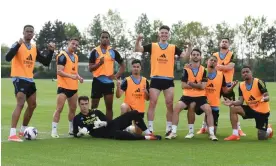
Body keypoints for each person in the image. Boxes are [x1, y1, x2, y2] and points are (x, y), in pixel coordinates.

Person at [135, 25, 192, 135]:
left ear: (168, 35)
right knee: (152, 103)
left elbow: (185, 57)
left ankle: (169, 129)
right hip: (155, 79)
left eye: (166, 33)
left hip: (168, 80)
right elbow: (138, 49)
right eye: (162, 33)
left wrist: (189, 46)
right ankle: (150, 129)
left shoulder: (173, 47)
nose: (164, 34)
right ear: (159, 34)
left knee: (169, 104)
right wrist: (138, 40)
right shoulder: (153, 46)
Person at [5, 25, 55, 142]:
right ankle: (12, 134)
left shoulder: (33, 47)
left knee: (32, 105)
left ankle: (23, 130)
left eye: (31, 32)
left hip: (30, 80)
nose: (29, 33)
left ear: (33, 34)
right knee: (20, 104)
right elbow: (8, 58)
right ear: (23, 32)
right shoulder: (18, 44)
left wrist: (51, 51)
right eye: (27, 31)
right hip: (19, 78)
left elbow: (46, 62)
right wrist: (18, 44)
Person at [165, 49, 218, 141]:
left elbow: (203, 87)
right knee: (177, 108)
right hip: (187, 95)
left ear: (200, 57)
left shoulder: (203, 70)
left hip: (200, 96)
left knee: (208, 109)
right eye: (193, 54)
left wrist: (191, 83)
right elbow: (183, 85)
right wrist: (197, 85)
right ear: (191, 56)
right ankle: (174, 132)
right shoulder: (186, 69)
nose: (195, 56)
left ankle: (212, 134)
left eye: (197, 54)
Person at [186, 56, 238, 137]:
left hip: (214, 104)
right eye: (211, 60)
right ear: (207, 61)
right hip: (201, 101)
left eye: (215, 61)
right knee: (191, 105)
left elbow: (225, 91)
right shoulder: (201, 72)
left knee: (213, 131)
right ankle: (191, 131)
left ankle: (207, 124)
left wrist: (232, 87)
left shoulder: (221, 75)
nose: (213, 62)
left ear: (217, 63)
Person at [73, 96, 162, 140]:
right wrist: (80, 133)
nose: (84, 106)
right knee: (119, 134)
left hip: (110, 126)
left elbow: (109, 122)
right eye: (82, 104)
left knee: (134, 113)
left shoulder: (96, 112)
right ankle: (146, 138)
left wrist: (104, 123)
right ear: (79, 105)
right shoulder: (77, 118)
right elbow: (75, 133)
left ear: (88, 103)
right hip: (105, 133)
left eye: (86, 104)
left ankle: (148, 133)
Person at [223, 66, 273, 141]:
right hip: (251, 109)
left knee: (262, 137)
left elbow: (267, 96)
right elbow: (240, 101)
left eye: (247, 72)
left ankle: (269, 130)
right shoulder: (241, 85)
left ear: (251, 73)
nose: (245, 73)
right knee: (233, 108)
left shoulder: (259, 82)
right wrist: (232, 102)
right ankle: (235, 134)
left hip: (262, 111)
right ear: (241, 75)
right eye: (243, 72)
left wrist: (264, 99)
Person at [51, 38, 84, 138]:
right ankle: (54, 131)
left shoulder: (75, 57)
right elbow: (59, 71)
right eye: (73, 44)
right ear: (68, 43)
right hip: (63, 87)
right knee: (59, 109)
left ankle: (71, 130)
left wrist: (78, 77)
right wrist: (71, 76)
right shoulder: (62, 56)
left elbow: (74, 70)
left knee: (73, 109)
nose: (74, 46)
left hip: (73, 88)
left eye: (76, 45)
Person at [89, 31, 125, 121]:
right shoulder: (95, 51)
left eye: (106, 37)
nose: (105, 39)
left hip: (109, 83)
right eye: (103, 37)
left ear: (109, 39)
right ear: (100, 39)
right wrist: (99, 64)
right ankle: (91, 126)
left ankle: (109, 127)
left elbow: (122, 65)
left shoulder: (113, 52)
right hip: (97, 81)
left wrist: (116, 75)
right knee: (94, 106)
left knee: (109, 107)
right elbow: (90, 68)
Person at [213, 38, 246, 136]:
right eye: (222, 41)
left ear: (229, 44)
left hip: (228, 84)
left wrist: (220, 66)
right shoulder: (214, 55)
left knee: (233, 106)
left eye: (226, 42)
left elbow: (230, 67)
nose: (224, 43)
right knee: (211, 105)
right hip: (216, 83)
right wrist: (225, 67)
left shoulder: (232, 54)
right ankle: (204, 127)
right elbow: (212, 66)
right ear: (220, 43)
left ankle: (238, 129)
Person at [116, 59, 150, 134]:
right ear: (131, 68)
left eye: (137, 67)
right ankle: (122, 128)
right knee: (123, 106)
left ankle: (130, 129)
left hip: (139, 110)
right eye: (134, 67)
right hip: (129, 108)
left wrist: (146, 92)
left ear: (140, 68)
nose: (136, 68)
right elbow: (118, 96)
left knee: (138, 133)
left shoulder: (145, 81)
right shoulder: (127, 80)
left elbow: (148, 99)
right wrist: (118, 87)